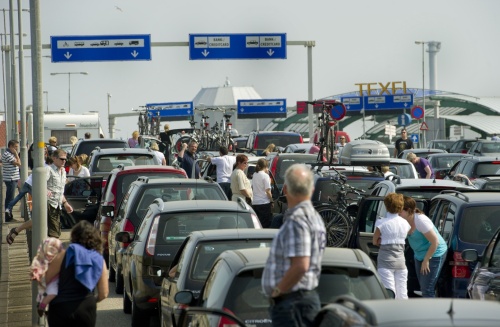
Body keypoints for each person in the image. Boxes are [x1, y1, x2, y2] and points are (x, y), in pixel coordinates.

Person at [262, 164, 326, 327]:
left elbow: (300, 266)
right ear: (311, 190)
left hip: (292, 304)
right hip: (299, 301)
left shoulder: (297, 220)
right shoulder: (314, 217)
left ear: (284, 190)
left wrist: (278, 291)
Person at [44, 221, 108, 326]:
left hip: (60, 307)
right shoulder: (99, 259)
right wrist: (91, 301)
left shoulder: (63, 255)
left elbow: (47, 278)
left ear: (74, 237)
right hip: (85, 308)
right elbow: (103, 294)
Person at [400, 196, 447, 298]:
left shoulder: (420, 220)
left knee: (427, 290)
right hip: (419, 254)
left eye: (399, 211)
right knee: (423, 287)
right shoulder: (403, 221)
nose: (397, 214)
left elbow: (435, 241)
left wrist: (426, 260)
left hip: (434, 253)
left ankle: (431, 313)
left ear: (407, 210)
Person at [372, 193, 411, 299]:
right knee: (402, 293)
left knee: (389, 292)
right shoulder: (405, 223)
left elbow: (374, 241)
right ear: (400, 207)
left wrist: (382, 240)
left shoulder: (381, 223)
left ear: (386, 206)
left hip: (385, 262)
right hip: (401, 262)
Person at [30, 237, 64, 317]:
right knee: (53, 292)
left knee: (43, 292)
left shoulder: (40, 259)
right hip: (54, 282)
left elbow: (34, 270)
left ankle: (42, 305)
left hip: (43, 282)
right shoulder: (58, 258)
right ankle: (43, 306)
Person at [47, 149, 74, 238]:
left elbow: (60, 191)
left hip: (57, 205)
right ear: (54, 158)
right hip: (49, 204)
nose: (64, 161)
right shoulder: (49, 169)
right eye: (62, 159)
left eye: (65, 159)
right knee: (54, 234)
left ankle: (16, 231)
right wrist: (45, 190)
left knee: (55, 232)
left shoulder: (63, 171)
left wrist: (65, 203)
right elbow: (39, 184)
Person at [3, 140, 21, 222]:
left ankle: (9, 215)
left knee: (11, 197)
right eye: (15, 147)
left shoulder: (10, 154)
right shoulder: (8, 154)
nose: (16, 149)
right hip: (10, 179)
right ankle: (8, 217)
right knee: (10, 198)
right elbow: (19, 163)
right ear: (10, 146)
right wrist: (16, 154)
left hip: (13, 178)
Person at [252, 158, 273, 227]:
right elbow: (268, 191)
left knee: (257, 223)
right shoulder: (265, 176)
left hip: (255, 202)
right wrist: (271, 201)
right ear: (266, 166)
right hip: (264, 203)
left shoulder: (255, 174)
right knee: (265, 224)